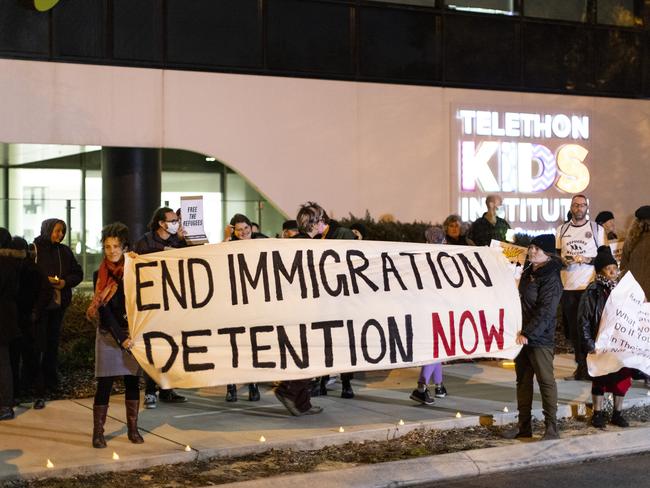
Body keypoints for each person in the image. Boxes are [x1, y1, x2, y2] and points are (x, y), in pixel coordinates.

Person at [87, 223, 144, 448]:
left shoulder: (134, 270)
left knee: (132, 382)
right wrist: (122, 338)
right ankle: (98, 433)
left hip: (132, 332)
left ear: (125, 247)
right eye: (107, 247)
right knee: (105, 384)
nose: (111, 251)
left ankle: (133, 429)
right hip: (110, 334)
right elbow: (104, 310)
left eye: (116, 246)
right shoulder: (98, 275)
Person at [506, 234, 563, 440]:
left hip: (539, 338)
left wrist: (529, 333)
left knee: (546, 381)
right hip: (521, 335)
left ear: (547, 254)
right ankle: (524, 426)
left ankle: (551, 427)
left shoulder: (551, 278)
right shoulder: (528, 271)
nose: (531, 251)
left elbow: (546, 311)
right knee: (522, 381)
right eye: (531, 247)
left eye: (537, 249)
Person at [133, 207, 188, 408]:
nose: (176, 223)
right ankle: (150, 391)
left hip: (173, 302)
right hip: (153, 302)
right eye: (172, 220)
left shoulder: (178, 240)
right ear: (161, 223)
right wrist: (166, 251)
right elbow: (138, 260)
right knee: (153, 347)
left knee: (171, 347)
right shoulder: (145, 241)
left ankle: (167, 389)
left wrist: (183, 241)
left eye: (177, 220)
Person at [579, 246, 632, 428]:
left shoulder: (623, 291)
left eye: (614, 267)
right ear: (600, 270)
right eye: (608, 268)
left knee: (622, 377)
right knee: (600, 377)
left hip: (619, 343)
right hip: (600, 343)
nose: (613, 271)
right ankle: (598, 413)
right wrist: (588, 343)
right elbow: (584, 320)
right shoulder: (593, 291)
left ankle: (617, 413)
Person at [556, 195, 605, 381]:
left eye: (582, 205)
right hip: (568, 286)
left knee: (591, 328)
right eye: (576, 205)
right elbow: (557, 255)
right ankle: (580, 367)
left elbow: (603, 257)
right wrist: (563, 261)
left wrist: (586, 260)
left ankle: (594, 368)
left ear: (587, 207)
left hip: (589, 286)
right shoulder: (562, 229)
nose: (579, 208)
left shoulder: (596, 229)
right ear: (571, 207)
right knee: (574, 331)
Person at [33, 218, 83, 393]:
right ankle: (35, 382)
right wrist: (43, 282)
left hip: (58, 304)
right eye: (57, 231)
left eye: (62, 231)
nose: (60, 235)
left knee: (52, 343)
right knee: (38, 344)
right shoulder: (34, 249)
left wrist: (64, 282)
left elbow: (78, 273)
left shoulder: (64, 251)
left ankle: (51, 381)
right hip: (38, 306)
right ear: (47, 230)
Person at [223, 213, 264, 402]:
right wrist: (226, 238)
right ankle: (231, 386)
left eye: (246, 228)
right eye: (239, 229)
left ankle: (253, 384)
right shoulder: (226, 245)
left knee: (252, 346)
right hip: (232, 304)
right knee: (232, 346)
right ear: (233, 230)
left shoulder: (260, 242)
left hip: (253, 303)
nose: (243, 232)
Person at [9, 237, 51, 410]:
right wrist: (36, 311)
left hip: (19, 320)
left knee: (16, 359)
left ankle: (18, 394)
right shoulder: (33, 269)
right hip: (30, 320)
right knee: (31, 359)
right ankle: (38, 395)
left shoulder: (14, 269)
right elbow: (46, 292)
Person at [410, 225, 448, 405]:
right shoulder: (444, 261)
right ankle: (421, 387)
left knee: (436, 347)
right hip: (437, 310)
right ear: (444, 242)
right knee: (436, 348)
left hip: (424, 310)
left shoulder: (420, 260)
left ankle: (439, 385)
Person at [619, 205, 650, 389]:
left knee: (637, 334)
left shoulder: (631, 239)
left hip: (634, 295)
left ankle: (638, 368)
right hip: (643, 294)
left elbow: (623, 266)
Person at [0, 228, 21, 421]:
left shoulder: (3, 264)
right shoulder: (14, 263)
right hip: (9, 318)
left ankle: (6, 405)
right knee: (5, 361)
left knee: (3, 363)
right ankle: (7, 403)